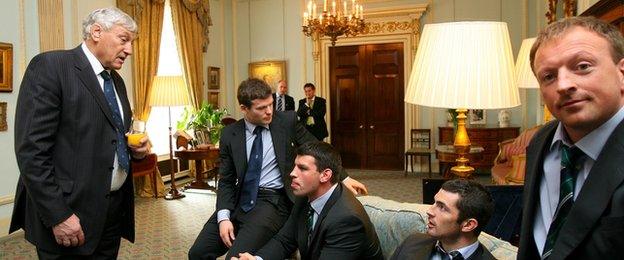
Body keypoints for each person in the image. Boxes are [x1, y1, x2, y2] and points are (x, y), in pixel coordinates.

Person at [10, 7, 149, 258]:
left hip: (111, 211)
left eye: (132, 42)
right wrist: (58, 215)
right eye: (123, 39)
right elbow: (32, 152)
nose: (129, 50)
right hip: (69, 214)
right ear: (97, 32)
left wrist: (137, 151)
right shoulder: (51, 66)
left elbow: (111, 136)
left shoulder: (116, 81)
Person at [188, 78, 367, 260]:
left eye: (271, 104)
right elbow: (226, 180)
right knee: (197, 253)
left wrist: (343, 177)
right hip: (238, 199)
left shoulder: (286, 121)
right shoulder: (230, 134)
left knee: (235, 258)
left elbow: (317, 147)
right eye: (261, 108)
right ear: (244, 108)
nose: (269, 111)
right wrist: (223, 217)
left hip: (272, 201)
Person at [518, 16, 624, 259]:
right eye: (549, 76)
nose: (563, 85)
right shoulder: (541, 142)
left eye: (583, 66)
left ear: (622, 73)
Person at [235, 142, 384, 260]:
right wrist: (257, 258)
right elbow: (284, 240)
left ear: (325, 175)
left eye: (302, 168)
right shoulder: (304, 196)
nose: (292, 173)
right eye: (295, 166)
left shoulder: (347, 219)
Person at [391, 179, 495, 260]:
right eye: (435, 203)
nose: (429, 211)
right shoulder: (413, 242)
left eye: (442, 207)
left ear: (468, 225)